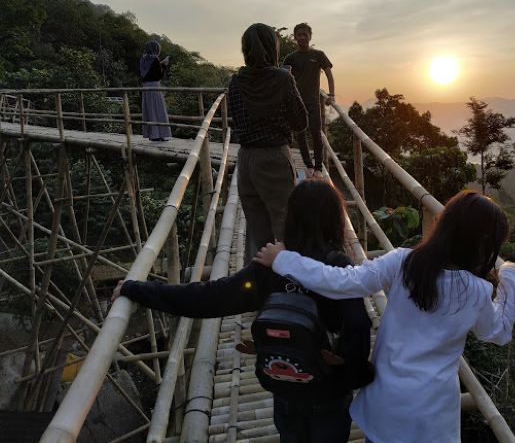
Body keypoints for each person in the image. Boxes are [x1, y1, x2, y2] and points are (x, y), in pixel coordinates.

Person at [113, 179, 373, 443]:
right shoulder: (338, 267)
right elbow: (359, 325)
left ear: (291, 217)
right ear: (335, 217)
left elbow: (208, 298)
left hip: (285, 381)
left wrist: (136, 289)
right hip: (327, 391)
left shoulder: (271, 264)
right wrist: (352, 376)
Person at [255, 190, 515, 443]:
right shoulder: (477, 290)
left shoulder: (404, 262)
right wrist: (510, 278)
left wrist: (284, 260)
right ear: (482, 245)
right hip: (430, 414)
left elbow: (341, 281)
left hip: (386, 405)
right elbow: (497, 332)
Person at [229, 23, 308, 262]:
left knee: (257, 230)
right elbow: (300, 121)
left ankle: (261, 286)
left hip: (246, 161)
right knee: (287, 227)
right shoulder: (283, 79)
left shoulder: (236, 82)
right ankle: (292, 282)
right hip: (274, 158)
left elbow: (237, 118)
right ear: (272, 48)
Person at [282, 23, 334, 178]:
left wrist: (331, 95)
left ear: (310, 36)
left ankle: (318, 167)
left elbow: (329, 73)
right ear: (295, 37)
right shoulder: (290, 58)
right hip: (296, 101)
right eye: (299, 35)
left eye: (305, 34)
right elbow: (283, 77)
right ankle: (309, 165)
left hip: (313, 101)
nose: (302, 38)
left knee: (316, 133)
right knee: (300, 133)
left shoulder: (318, 55)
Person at [139, 40, 172, 141]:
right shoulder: (155, 58)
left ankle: (153, 135)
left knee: (150, 110)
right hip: (155, 86)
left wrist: (160, 64)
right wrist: (165, 64)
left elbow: (148, 73)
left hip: (146, 87)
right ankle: (160, 134)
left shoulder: (143, 59)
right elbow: (158, 75)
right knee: (158, 109)